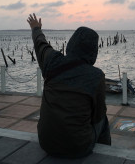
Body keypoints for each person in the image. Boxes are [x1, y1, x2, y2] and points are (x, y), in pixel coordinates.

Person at [27, 13, 111, 158]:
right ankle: (105, 157)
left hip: (46, 142)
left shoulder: (51, 61)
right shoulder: (96, 76)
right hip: (78, 147)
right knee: (104, 120)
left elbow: (41, 44)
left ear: (71, 44)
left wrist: (36, 28)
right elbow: (97, 116)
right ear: (93, 52)